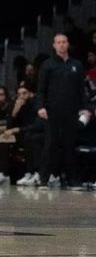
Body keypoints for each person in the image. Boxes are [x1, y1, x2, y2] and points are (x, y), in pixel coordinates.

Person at [36, 33, 85, 187]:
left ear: (68, 44)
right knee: (50, 144)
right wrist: (41, 107)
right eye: (59, 42)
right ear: (54, 45)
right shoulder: (48, 65)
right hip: (52, 111)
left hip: (71, 111)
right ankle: (44, 178)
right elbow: (41, 89)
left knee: (69, 144)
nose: (62, 45)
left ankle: (72, 179)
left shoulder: (77, 65)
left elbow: (80, 90)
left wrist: (83, 108)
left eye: (64, 42)